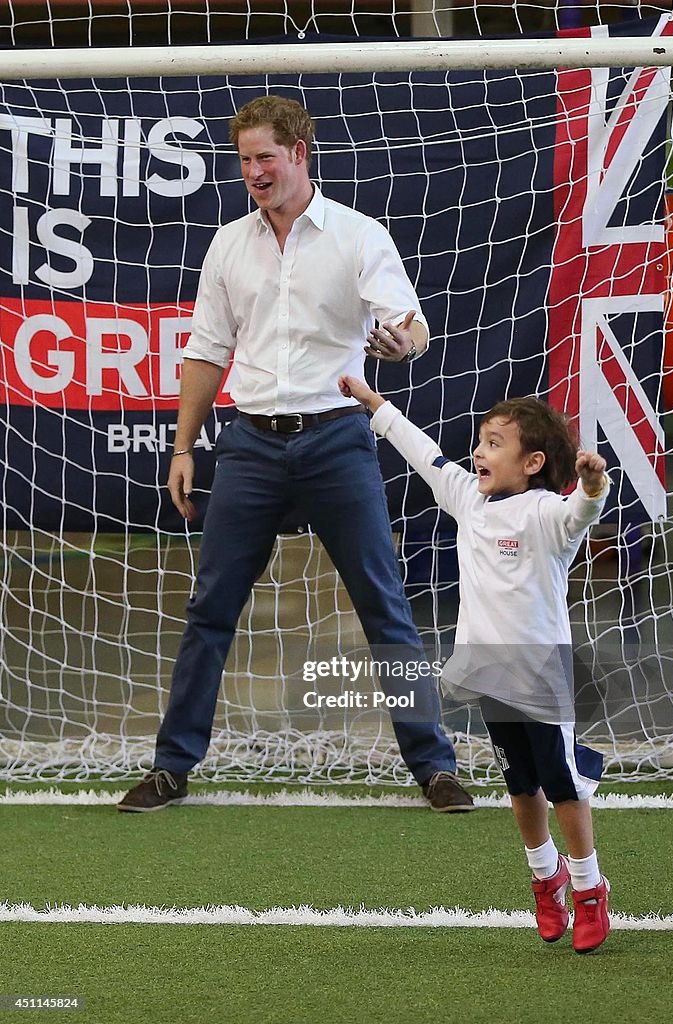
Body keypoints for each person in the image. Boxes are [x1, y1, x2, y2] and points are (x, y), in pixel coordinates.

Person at [118, 95, 473, 814]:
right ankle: (170, 768)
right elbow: (206, 352)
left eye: (266, 158)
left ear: (301, 153)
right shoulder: (228, 244)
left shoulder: (356, 235)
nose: (254, 172)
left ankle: (434, 766)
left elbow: (412, 326)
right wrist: (184, 447)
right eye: (245, 160)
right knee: (209, 607)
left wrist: (403, 343)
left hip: (338, 439)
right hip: (248, 444)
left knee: (385, 606)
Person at [338, 375, 611, 954]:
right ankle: (546, 879)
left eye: (494, 443)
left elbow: (580, 514)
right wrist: (374, 404)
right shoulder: (468, 498)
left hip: (542, 678)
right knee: (520, 785)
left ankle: (589, 888)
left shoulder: (545, 515)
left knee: (562, 785)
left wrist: (592, 485)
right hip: (490, 675)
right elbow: (423, 453)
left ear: (533, 461)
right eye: (480, 441)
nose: (478, 452)